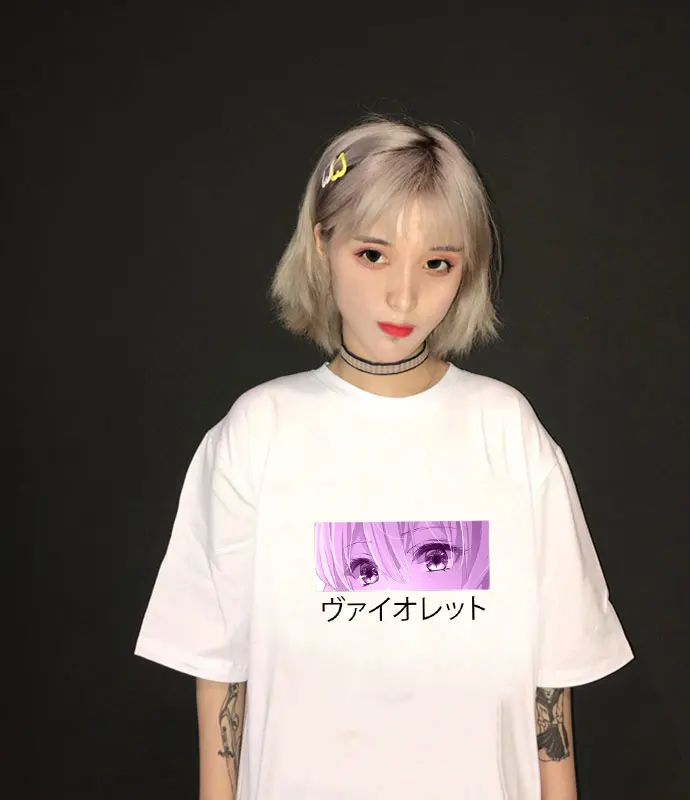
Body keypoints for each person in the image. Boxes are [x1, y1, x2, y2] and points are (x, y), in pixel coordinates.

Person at [135, 115, 634, 800]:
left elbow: (553, 681)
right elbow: (219, 671)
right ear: (323, 243)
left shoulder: (508, 432)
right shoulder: (257, 434)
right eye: (374, 255)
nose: (404, 295)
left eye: (437, 263)